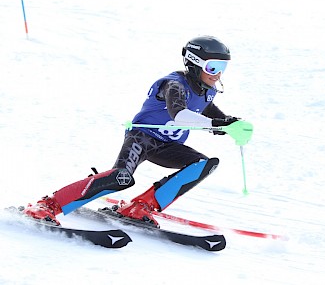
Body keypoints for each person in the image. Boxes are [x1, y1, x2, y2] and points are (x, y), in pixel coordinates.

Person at [22, 35, 251, 227]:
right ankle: (48, 205)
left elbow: (208, 109)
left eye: (223, 68)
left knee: (204, 164)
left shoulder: (205, 90)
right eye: (213, 67)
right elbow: (180, 115)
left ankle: (140, 206)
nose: (218, 74)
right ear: (194, 63)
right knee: (120, 178)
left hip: (168, 146)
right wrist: (217, 125)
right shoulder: (174, 85)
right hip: (142, 139)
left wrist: (231, 123)